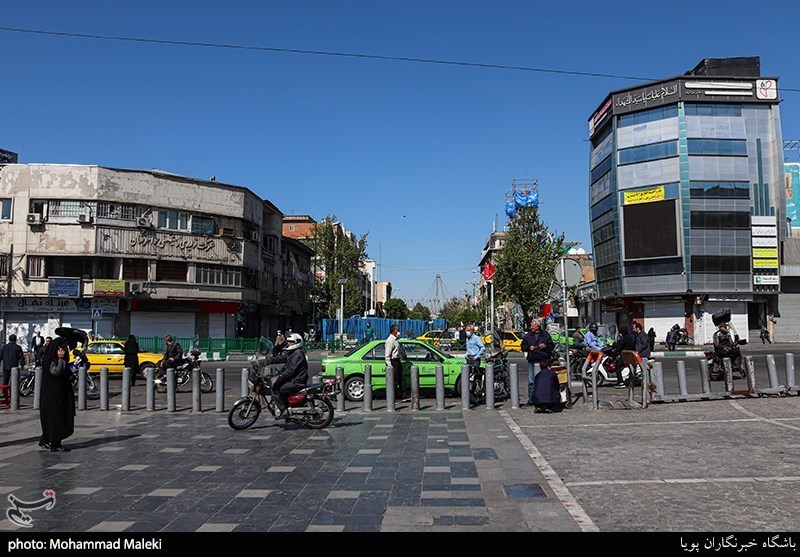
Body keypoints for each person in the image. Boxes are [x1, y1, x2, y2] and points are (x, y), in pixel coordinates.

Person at [39, 337, 75, 452]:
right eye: (62, 349)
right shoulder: (51, 360)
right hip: (52, 396)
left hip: (60, 395)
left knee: (57, 417)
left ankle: (46, 440)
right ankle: (55, 443)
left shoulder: (57, 359)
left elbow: (67, 374)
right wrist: (60, 360)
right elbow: (56, 372)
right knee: (55, 418)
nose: (64, 351)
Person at [265, 333, 308, 420]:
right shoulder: (293, 353)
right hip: (293, 380)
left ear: (297, 343)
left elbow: (290, 371)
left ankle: (283, 410)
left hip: (297, 382)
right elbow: (281, 358)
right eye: (288, 342)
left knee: (275, 388)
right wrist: (267, 361)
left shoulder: (298, 354)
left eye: (291, 342)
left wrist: (279, 377)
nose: (289, 344)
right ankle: (285, 405)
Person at [521, 319, 555, 406]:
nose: (531, 327)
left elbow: (551, 345)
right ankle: (531, 399)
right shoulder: (528, 335)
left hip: (543, 360)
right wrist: (529, 347)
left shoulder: (545, 335)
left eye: (533, 325)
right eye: (531, 325)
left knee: (543, 380)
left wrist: (545, 346)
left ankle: (543, 398)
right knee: (531, 381)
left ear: (538, 326)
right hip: (532, 359)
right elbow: (523, 346)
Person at [384, 324, 407, 400]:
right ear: (394, 331)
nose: (399, 332)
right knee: (394, 380)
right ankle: (394, 396)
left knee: (401, 379)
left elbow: (399, 351)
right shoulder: (390, 340)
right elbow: (387, 355)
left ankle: (403, 395)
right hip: (393, 362)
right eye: (398, 330)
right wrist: (390, 366)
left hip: (397, 360)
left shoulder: (396, 339)